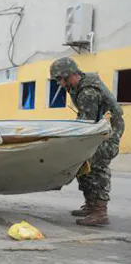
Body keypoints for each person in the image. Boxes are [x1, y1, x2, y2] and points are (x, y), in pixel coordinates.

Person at [50, 57, 125, 226]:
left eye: (60, 79)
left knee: (96, 167)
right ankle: (91, 206)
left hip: (107, 131)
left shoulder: (87, 93)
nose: (60, 84)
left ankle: (99, 211)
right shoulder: (78, 86)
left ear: (69, 75)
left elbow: (87, 124)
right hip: (97, 128)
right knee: (83, 164)